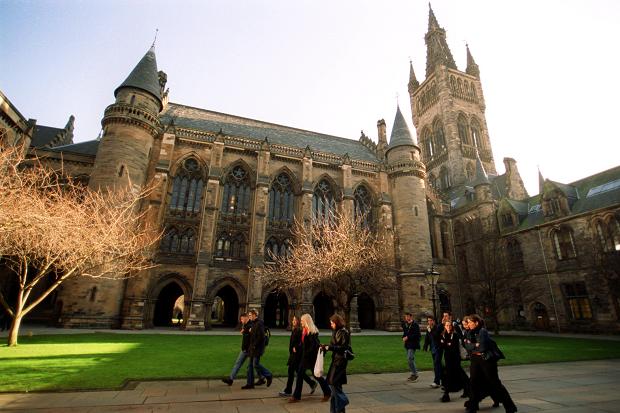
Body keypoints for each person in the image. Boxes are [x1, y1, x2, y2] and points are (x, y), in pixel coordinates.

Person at [463, 314, 517, 413]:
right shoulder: (469, 332)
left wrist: (472, 345)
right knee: (473, 382)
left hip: (486, 360)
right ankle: (473, 407)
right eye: (468, 322)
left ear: (476, 323)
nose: (469, 324)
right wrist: (475, 345)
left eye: (471, 322)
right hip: (475, 359)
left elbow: (482, 347)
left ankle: (510, 407)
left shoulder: (482, 331)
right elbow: (467, 346)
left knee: (495, 383)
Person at [289, 313, 331, 403]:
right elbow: (303, 343)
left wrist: (305, 353)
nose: (301, 322)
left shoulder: (312, 333)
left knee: (316, 376)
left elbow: (313, 347)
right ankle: (297, 396)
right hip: (305, 358)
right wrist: (297, 347)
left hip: (310, 358)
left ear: (306, 321)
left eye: (302, 321)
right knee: (301, 375)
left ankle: (327, 392)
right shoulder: (305, 330)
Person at [279, 315, 317, 397]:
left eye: (295, 320)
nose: (293, 322)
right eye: (293, 320)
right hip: (294, 353)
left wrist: (296, 348)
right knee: (298, 372)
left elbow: (302, 343)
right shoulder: (295, 329)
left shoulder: (300, 330)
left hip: (297, 355)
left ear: (299, 321)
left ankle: (288, 390)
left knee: (291, 371)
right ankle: (312, 383)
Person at [322, 314, 351, 413]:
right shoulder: (335, 332)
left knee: (334, 384)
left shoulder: (344, 332)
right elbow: (333, 345)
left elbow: (344, 348)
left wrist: (330, 348)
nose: (331, 325)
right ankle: (336, 411)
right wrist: (325, 347)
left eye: (332, 323)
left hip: (340, 362)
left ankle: (343, 401)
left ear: (337, 322)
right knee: (335, 386)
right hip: (335, 360)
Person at [438, 320, 470, 402]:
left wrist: (446, 343)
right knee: (448, 375)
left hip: (455, 359)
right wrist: (446, 343)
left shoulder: (455, 335)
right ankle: (446, 394)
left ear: (452, 327)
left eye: (450, 325)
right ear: (445, 326)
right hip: (448, 358)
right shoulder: (443, 335)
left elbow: (453, 347)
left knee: (460, 374)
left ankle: (467, 389)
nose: (448, 327)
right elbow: (442, 346)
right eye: (447, 325)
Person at [242, 309, 273, 389]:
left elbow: (261, 336)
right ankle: (250, 384)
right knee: (250, 366)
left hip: (257, 348)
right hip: (252, 347)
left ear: (254, 315)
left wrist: (254, 345)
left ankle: (268, 375)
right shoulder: (253, 323)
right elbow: (252, 333)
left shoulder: (259, 323)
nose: (249, 317)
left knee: (255, 364)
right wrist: (248, 331)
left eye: (250, 315)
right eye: (248, 315)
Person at [222, 312, 252, 386]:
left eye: (242, 319)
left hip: (250, 349)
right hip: (244, 349)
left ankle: (264, 376)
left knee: (254, 366)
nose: (241, 320)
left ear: (246, 317)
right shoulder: (245, 325)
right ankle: (231, 379)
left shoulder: (251, 325)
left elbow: (252, 337)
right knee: (238, 363)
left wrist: (245, 332)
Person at [422, 315, 442, 388]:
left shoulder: (437, 327)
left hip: (438, 348)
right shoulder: (429, 328)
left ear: (434, 321)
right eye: (428, 321)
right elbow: (427, 338)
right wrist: (425, 346)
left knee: (437, 364)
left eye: (431, 321)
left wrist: (430, 331)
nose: (429, 322)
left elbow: (436, 336)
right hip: (433, 349)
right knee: (437, 365)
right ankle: (441, 379)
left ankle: (436, 381)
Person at [401, 312, 420, 382]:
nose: (406, 318)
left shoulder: (415, 325)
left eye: (408, 316)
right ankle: (413, 374)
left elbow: (417, 335)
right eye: (405, 317)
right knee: (410, 359)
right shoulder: (406, 324)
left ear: (411, 317)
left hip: (413, 344)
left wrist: (408, 337)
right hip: (407, 344)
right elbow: (405, 333)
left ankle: (415, 374)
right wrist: (403, 337)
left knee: (409, 359)